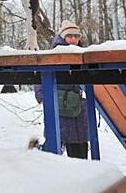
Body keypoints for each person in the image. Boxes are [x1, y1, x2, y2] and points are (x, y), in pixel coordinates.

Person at [34, 20, 89, 159]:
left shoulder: (84, 55)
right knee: (55, 147)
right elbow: (41, 75)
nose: (74, 39)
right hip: (59, 106)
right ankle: (37, 158)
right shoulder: (54, 55)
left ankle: (82, 176)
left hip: (78, 108)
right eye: (70, 36)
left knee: (80, 149)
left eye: (77, 36)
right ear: (63, 37)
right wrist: (42, 95)